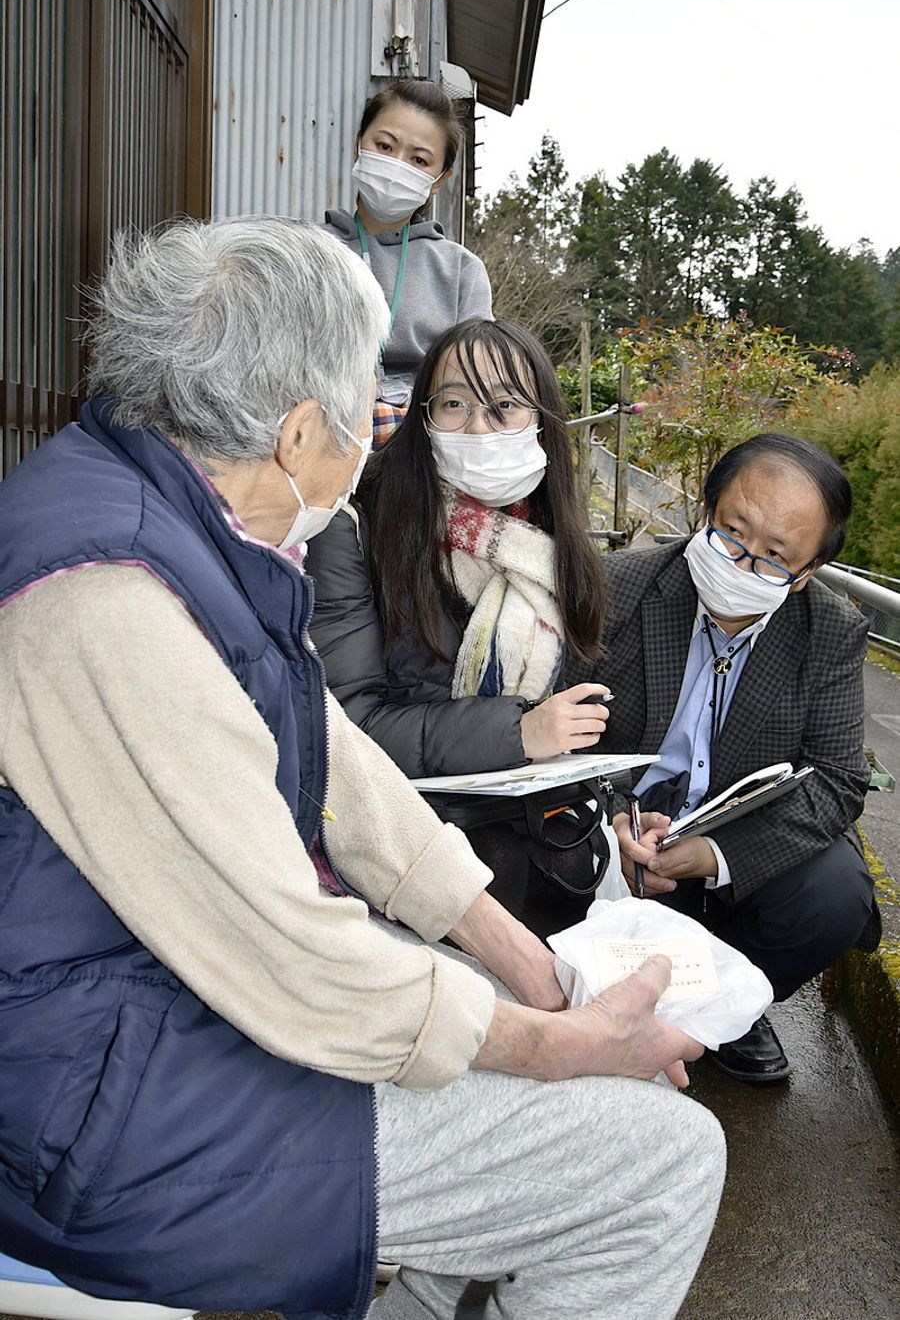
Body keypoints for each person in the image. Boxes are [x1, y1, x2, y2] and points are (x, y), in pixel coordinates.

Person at [0, 217, 725, 1320]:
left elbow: (333, 755)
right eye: (369, 416)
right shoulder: (111, 598)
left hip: (146, 1003)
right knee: (661, 1159)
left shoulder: (171, 509)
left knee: (508, 1029)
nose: (375, 442)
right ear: (299, 433)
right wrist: (554, 1045)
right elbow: (282, 949)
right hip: (95, 1097)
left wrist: (518, 960)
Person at [574, 434, 881, 1084]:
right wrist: (615, 822)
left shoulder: (830, 632)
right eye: (732, 533)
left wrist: (715, 855)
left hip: (734, 835)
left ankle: (727, 1007)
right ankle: (620, 994)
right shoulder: (614, 588)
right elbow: (564, 732)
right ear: (704, 511)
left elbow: (838, 779)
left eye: (775, 557)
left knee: (835, 894)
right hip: (621, 822)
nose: (743, 564)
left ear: (808, 572)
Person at [307, 318, 617, 939]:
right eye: (454, 404)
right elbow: (348, 725)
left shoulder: (549, 544)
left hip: (535, 820)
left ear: (542, 422)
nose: (478, 428)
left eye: (504, 407)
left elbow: (581, 713)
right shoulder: (356, 527)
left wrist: (623, 804)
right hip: (404, 829)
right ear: (422, 415)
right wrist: (519, 731)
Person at [323, 78, 492, 446]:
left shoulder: (461, 271)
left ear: (440, 180)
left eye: (419, 160)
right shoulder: (308, 252)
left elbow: (475, 381)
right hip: (320, 442)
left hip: (425, 450)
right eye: (384, 146)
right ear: (358, 146)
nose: (396, 165)